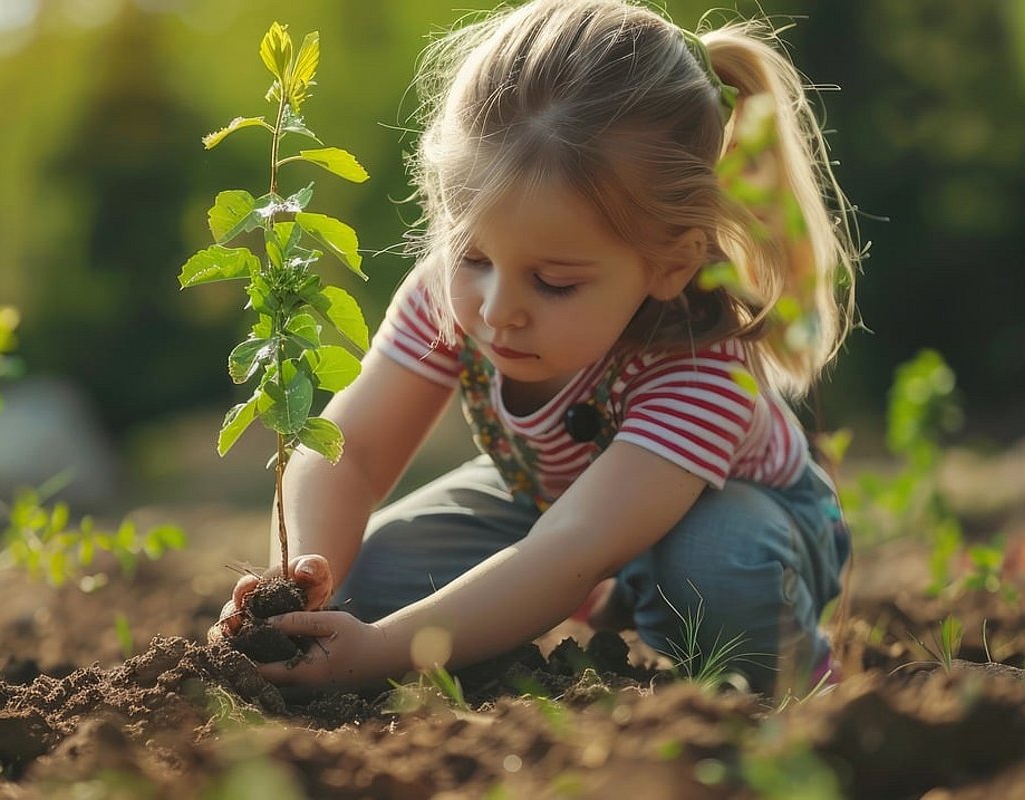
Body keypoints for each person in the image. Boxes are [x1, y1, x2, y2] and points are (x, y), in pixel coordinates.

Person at [208, 0, 858, 696]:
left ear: (671, 263)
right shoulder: (451, 293)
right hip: (560, 509)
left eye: (553, 283)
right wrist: (306, 574)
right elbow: (353, 449)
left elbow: (570, 549)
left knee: (716, 573)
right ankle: (619, 588)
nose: (497, 311)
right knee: (367, 580)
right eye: (474, 256)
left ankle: (797, 667)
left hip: (740, 519)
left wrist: (381, 653)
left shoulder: (702, 368)